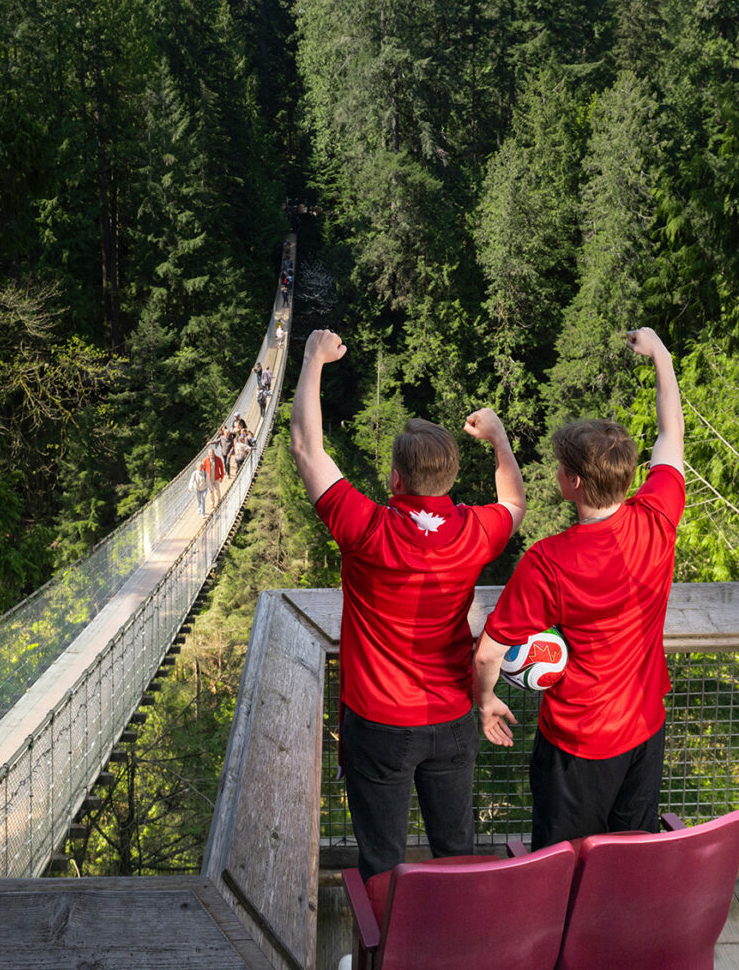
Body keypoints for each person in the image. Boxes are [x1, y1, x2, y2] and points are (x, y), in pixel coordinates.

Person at [289, 328, 526, 882]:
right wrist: (499, 439)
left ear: (395, 478)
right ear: (450, 479)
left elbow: (306, 447)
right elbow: (513, 499)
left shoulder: (368, 527)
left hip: (379, 722)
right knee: (457, 853)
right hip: (451, 716)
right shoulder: (474, 530)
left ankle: (383, 952)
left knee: (381, 861)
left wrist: (312, 359)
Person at [473, 327, 685, 850]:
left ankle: (565, 932)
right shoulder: (657, 515)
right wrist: (660, 355)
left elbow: (489, 652)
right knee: (629, 857)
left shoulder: (549, 562)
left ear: (571, 482)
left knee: (562, 861)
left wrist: (485, 699)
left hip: (578, 742)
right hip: (643, 729)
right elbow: (672, 433)